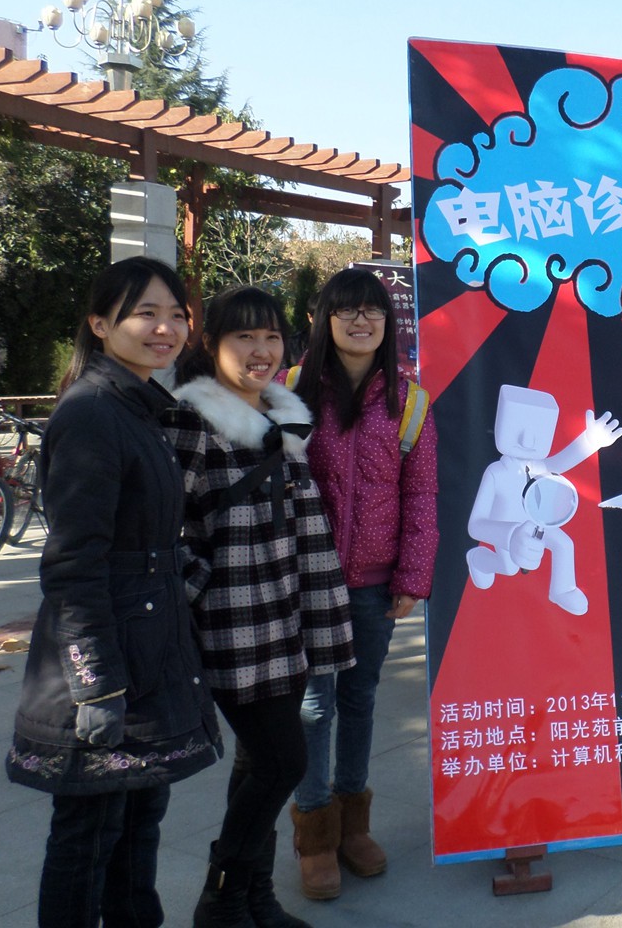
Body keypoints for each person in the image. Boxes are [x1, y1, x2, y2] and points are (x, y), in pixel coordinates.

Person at [7, 256, 222, 928]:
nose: (165, 328)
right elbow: (74, 564)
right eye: (145, 313)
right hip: (109, 660)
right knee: (89, 833)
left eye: (176, 315)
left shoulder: (137, 406)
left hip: (148, 648)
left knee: (138, 817)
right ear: (100, 324)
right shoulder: (93, 413)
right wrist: (95, 684)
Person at [166, 285, 355, 928]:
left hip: (289, 617)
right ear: (211, 343)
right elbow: (160, 531)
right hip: (234, 624)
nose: (261, 350)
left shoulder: (286, 421)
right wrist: (204, 588)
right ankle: (221, 898)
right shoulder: (191, 422)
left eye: (271, 336)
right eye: (243, 336)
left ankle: (253, 899)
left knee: (257, 763)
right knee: (284, 761)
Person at [282, 268, 438, 900]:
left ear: (387, 323)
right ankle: (314, 832)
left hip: (375, 584)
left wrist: (412, 576)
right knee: (313, 706)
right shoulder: (291, 389)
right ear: (324, 320)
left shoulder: (410, 401)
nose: (360, 321)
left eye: (372, 310)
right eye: (345, 310)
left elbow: (422, 494)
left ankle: (353, 825)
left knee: (360, 699)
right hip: (307, 579)